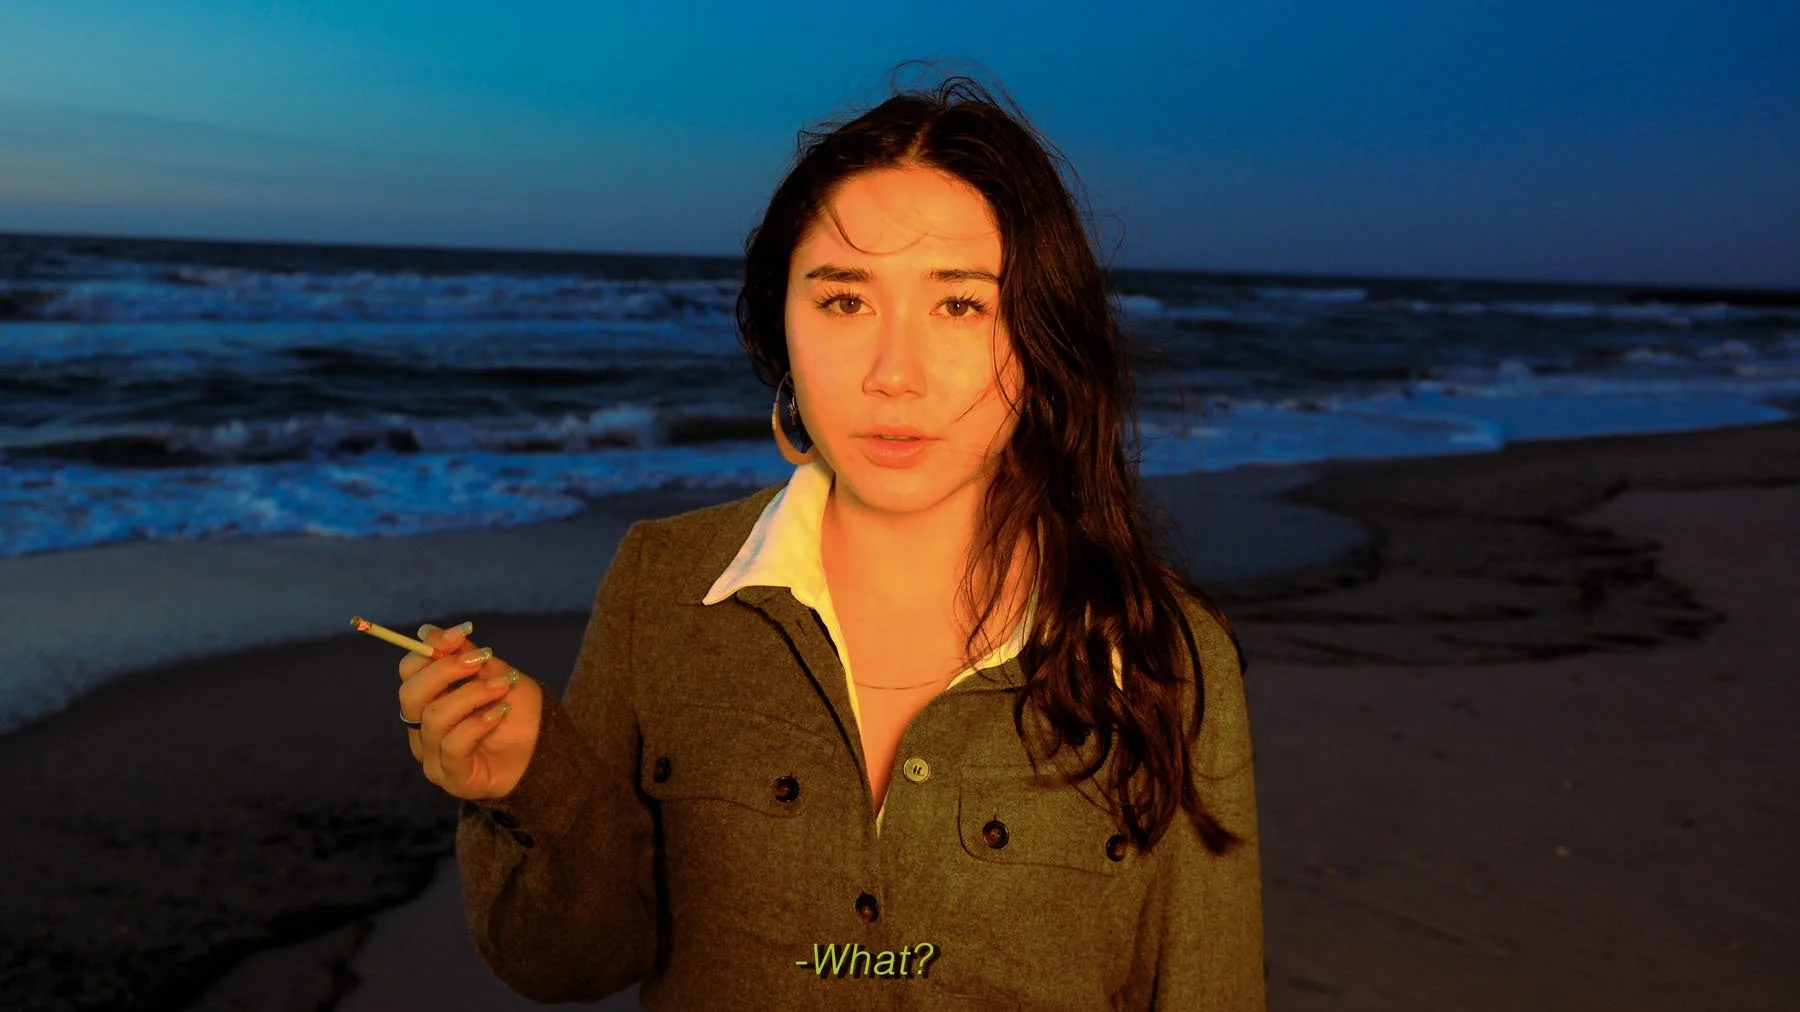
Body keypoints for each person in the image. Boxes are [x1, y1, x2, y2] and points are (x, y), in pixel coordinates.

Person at [396, 68, 1263, 1010]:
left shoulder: (1164, 651)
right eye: (844, 301)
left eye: (961, 304)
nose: (896, 373)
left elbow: (1205, 988)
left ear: (1039, 338)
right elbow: (570, 962)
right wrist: (529, 782)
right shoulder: (665, 587)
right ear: (785, 327)